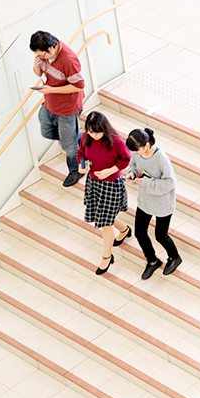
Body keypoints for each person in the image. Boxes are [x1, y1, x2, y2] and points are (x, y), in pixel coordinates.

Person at [77, 111, 131, 275]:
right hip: (94, 183)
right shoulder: (87, 137)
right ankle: (125, 230)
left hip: (111, 185)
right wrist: (81, 165)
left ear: (104, 129)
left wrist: (110, 170)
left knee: (105, 223)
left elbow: (126, 159)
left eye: (96, 132)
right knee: (104, 216)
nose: (93, 135)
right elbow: (80, 154)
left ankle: (107, 257)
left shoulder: (116, 142)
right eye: (90, 131)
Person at [125, 128, 183, 279]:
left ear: (146, 145)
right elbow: (133, 164)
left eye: (137, 150)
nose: (135, 153)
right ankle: (152, 260)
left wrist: (144, 182)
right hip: (145, 200)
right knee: (139, 232)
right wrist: (131, 172)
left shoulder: (161, 158)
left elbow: (170, 182)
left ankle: (174, 257)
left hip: (163, 203)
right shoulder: (137, 152)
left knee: (161, 236)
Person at [30, 30, 86, 187]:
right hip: (50, 103)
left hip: (68, 108)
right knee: (46, 131)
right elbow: (39, 74)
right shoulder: (45, 55)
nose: (41, 58)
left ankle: (75, 170)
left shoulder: (69, 59)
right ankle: (79, 138)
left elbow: (78, 86)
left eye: (43, 55)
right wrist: (36, 66)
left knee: (69, 145)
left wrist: (51, 90)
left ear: (51, 48)